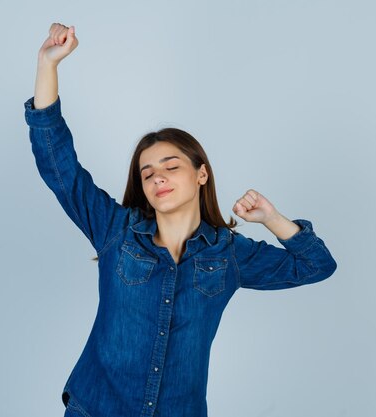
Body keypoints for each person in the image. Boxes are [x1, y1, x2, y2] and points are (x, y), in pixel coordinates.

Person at [24, 23, 337, 417]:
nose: (158, 176)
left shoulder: (229, 254)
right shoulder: (115, 231)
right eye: (148, 172)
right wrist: (47, 63)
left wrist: (272, 218)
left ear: (201, 174)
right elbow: (59, 165)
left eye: (171, 166)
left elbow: (317, 266)